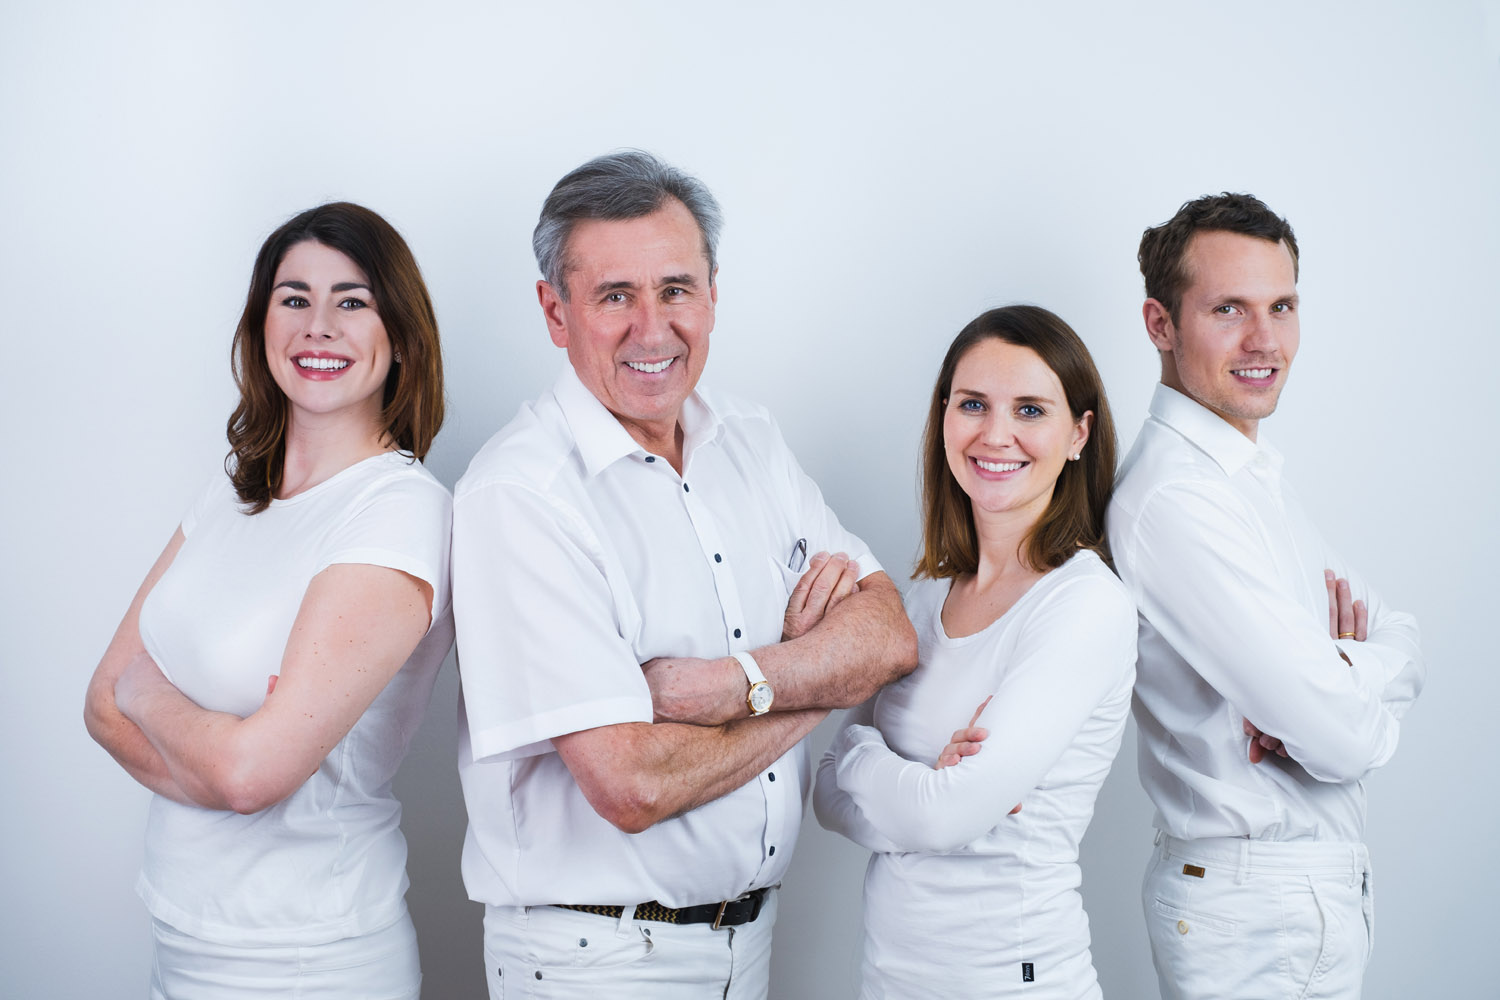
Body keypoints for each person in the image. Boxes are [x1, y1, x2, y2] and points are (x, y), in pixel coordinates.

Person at [452, 150, 918, 999]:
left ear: (712, 294)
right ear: (555, 312)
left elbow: (886, 633)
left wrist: (726, 687)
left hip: (750, 944)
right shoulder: (520, 495)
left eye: (675, 289)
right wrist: (817, 678)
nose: (653, 328)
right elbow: (631, 783)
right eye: (614, 297)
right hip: (600, 964)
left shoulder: (750, 440)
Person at [83, 202, 453, 999]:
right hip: (179, 933)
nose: (318, 326)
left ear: (401, 339)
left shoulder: (397, 510)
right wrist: (222, 758)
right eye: (294, 298)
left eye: (352, 302)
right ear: (261, 326)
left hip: (305, 959)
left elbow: (251, 775)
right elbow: (98, 707)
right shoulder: (232, 490)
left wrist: (150, 691)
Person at [1107, 193, 1425, 1000]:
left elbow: (1401, 634)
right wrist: (1335, 700)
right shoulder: (1178, 501)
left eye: (1282, 307)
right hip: (1258, 911)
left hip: (1288, 900)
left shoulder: (1246, 477)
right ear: (1160, 324)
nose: (1265, 341)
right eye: (1229, 309)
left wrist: (1338, 664)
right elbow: (1342, 740)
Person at [813, 305, 1136, 998]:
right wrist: (922, 781)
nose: (996, 434)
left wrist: (868, 758)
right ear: (944, 418)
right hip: (890, 980)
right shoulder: (925, 596)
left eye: (1029, 409)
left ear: (1078, 433)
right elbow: (825, 796)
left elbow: (936, 813)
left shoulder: (1083, 605)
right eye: (973, 405)